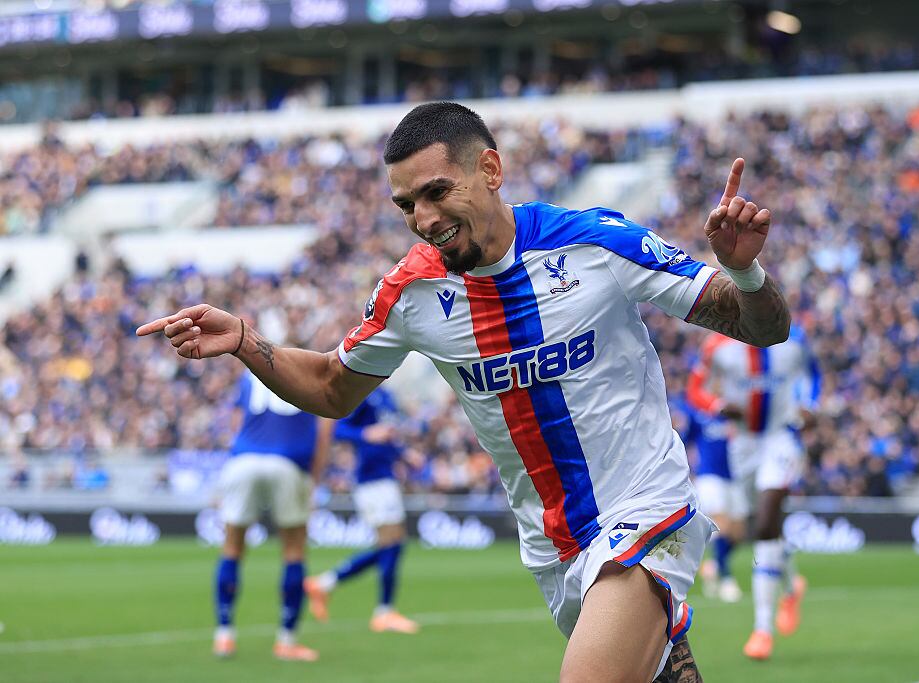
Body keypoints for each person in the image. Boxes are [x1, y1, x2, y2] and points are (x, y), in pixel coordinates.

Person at [138, 101, 790, 682]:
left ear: (491, 170)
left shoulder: (593, 242)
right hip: (552, 542)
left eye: (436, 192)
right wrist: (247, 340)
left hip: (645, 509)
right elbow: (334, 388)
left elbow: (759, 324)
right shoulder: (412, 291)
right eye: (405, 206)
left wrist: (744, 270)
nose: (422, 219)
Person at [687, 325, 819, 661]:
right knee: (759, 526)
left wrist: (809, 405)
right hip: (742, 444)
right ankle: (792, 584)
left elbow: (813, 373)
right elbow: (694, 389)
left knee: (764, 521)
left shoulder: (794, 340)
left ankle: (762, 631)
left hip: (781, 437)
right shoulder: (718, 346)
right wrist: (717, 405)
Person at [212, 369, 333, 662]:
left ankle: (224, 635)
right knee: (293, 551)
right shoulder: (314, 372)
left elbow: (237, 423)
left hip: (243, 460)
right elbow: (324, 431)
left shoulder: (249, 375)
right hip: (288, 462)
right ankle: (286, 640)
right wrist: (315, 480)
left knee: (231, 548)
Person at [304, 387, 420, 634]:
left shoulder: (387, 395)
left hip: (385, 476)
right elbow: (337, 429)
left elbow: (386, 435)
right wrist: (366, 434)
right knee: (391, 545)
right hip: (371, 481)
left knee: (392, 545)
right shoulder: (364, 391)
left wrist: (403, 454)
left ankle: (325, 584)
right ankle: (384, 611)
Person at [676, 397, 744, 603]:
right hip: (710, 477)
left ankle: (712, 565)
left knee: (738, 533)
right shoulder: (699, 416)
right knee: (722, 524)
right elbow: (684, 440)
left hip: (734, 477)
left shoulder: (734, 413)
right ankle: (726, 580)